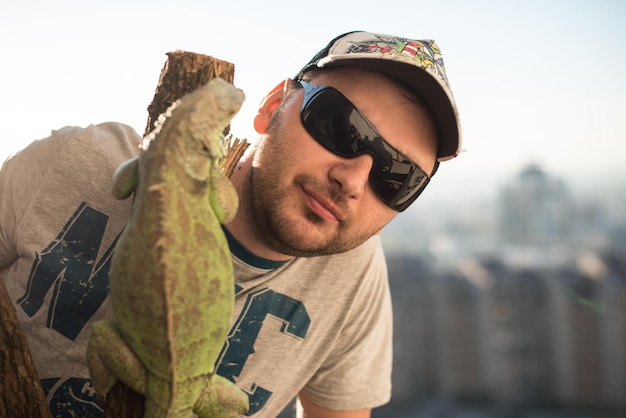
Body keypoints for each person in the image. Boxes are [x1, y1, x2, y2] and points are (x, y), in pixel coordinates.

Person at [0, 30, 461, 417]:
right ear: (271, 105)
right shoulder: (80, 159)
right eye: (340, 126)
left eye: (398, 178)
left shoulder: (354, 278)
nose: (353, 180)